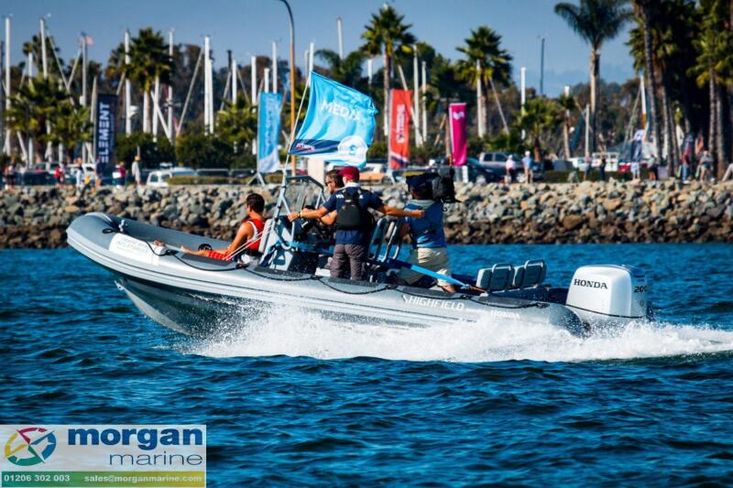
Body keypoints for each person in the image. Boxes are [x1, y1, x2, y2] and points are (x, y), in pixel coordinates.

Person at [288, 166, 424, 281]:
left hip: (340, 244)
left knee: (335, 275)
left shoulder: (338, 195)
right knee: (356, 278)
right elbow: (387, 210)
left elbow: (319, 214)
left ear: (346, 179)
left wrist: (299, 214)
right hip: (357, 243)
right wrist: (413, 214)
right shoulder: (367, 195)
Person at [163, 193, 267, 265]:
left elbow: (231, 253)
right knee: (220, 250)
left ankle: (189, 253)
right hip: (258, 259)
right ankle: (197, 252)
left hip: (246, 261)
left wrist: (213, 252)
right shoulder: (267, 224)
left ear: (249, 208)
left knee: (205, 253)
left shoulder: (248, 226)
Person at [397, 176, 456, 293]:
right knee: (445, 282)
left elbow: (402, 232)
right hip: (441, 250)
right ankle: (458, 301)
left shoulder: (410, 209)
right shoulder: (438, 205)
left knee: (400, 280)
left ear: (412, 191)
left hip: (423, 253)